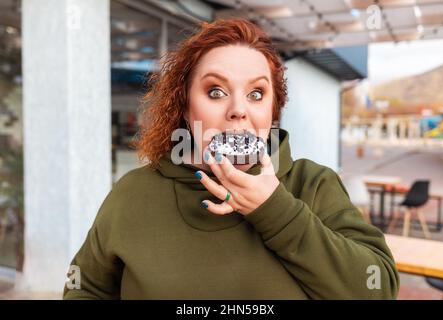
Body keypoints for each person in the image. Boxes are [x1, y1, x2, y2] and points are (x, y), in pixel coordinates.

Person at [63, 19, 399, 299]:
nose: (238, 109)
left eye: (256, 94)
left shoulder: (312, 185)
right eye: (216, 91)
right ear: (184, 107)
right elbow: (84, 287)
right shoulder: (132, 194)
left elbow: (378, 288)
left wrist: (275, 210)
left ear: (272, 111)